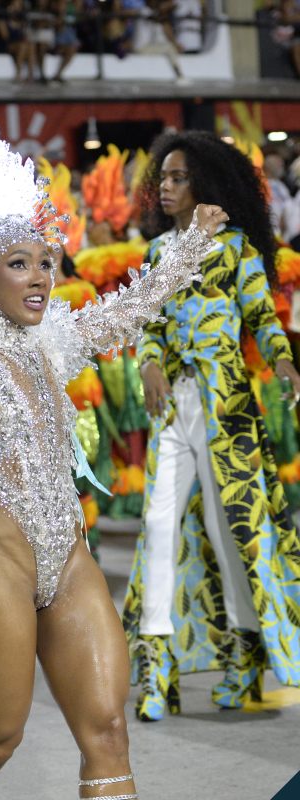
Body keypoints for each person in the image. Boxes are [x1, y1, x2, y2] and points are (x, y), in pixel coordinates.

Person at [0, 121, 224, 800]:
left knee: (107, 731)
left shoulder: (54, 343)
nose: (41, 277)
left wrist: (191, 245)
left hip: (67, 558)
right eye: (19, 263)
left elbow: (131, 306)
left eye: (46, 261)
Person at [124, 130, 300, 722]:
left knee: (232, 540)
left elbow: (261, 317)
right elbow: (148, 320)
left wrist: (282, 360)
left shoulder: (236, 251)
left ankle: (242, 661)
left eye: (177, 177)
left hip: (228, 413)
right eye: (163, 178)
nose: (165, 187)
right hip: (172, 408)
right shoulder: (158, 254)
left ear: (205, 182)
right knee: (156, 528)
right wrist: (148, 361)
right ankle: (156, 669)